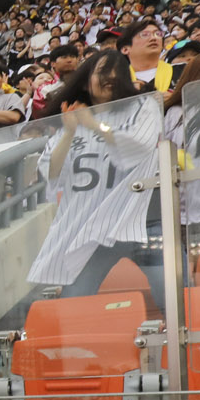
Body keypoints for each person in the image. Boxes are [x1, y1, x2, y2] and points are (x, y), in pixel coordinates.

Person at [28, 50, 167, 302]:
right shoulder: (70, 119)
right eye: (103, 71)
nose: (112, 76)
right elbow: (50, 171)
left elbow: (138, 144)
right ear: (84, 80)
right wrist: (70, 131)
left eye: (118, 71)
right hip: (91, 225)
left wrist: (93, 124)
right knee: (75, 297)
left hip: (142, 217)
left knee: (171, 291)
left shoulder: (143, 105)